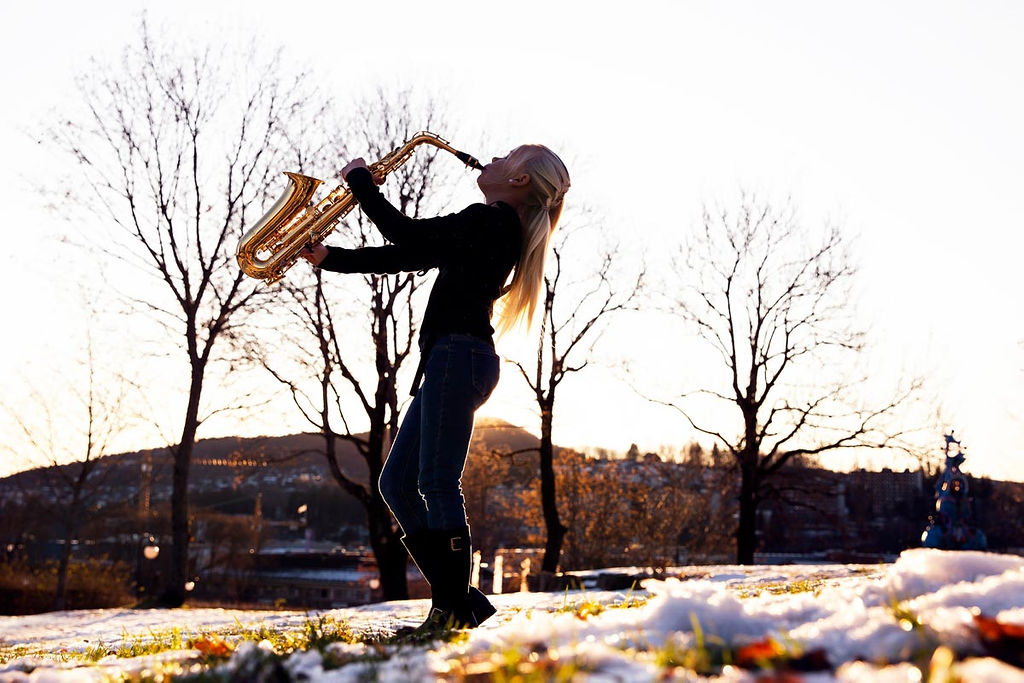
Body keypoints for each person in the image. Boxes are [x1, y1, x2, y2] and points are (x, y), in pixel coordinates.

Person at [301, 144, 570, 635]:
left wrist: (361, 182)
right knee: (395, 484)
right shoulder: (490, 226)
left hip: (456, 358)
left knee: (435, 484)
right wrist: (330, 258)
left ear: (520, 181)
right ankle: (457, 600)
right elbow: (410, 252)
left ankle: (447, 612)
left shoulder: (490, 222)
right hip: (451, 359)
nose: (492, 156)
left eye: (508, 155)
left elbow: (404, 232)